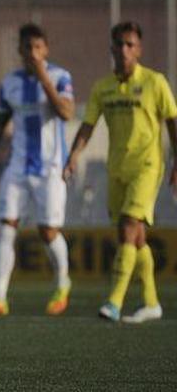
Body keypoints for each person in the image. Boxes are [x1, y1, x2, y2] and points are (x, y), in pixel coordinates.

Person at [64, 21, 177, 324]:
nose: (125, 50)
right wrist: (74, 155)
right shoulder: (103, 88)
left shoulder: (155, 83)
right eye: (120, 44)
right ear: (112, 48)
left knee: (129, 225)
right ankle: (152, 303)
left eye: (131, 45)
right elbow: (88, 125)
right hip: (117, 169)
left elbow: (172, 123)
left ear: (139, 49)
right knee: (135, 238)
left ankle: (113, 302)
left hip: (147, 167)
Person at [0, 23, 74, 317]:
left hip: (50, 168)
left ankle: (62, 283)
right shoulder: (10, 83)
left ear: (46, 49)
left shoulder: (59, 77)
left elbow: (66, 113)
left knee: (47, 231)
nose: (32, 53)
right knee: (5, 226)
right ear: (19, 50)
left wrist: (44, 79)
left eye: (38, 47)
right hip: (17, 166)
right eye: (27, 47)